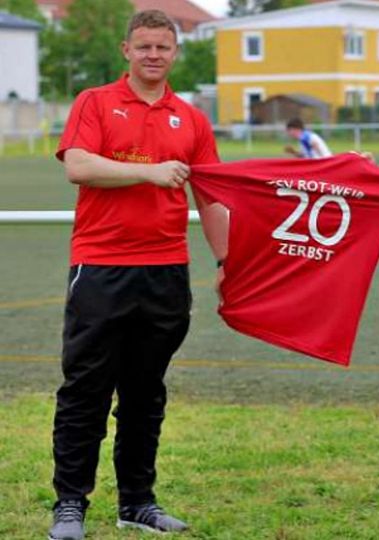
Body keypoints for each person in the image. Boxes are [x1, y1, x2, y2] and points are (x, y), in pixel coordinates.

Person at [49, 9, 219, 540]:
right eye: (143, 46)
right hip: (101, 267)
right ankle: (70, 504)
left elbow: (210, 198)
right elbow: (78, 164)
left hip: (166, 271)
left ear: (174, 53)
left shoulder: (191, 119)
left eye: (162, 48)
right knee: (86, 390)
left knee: (146, 393)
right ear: (126, 50)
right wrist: (148, 171)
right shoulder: (95, 102)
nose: (153, 55)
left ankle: (137, 503)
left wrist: (227, 262)